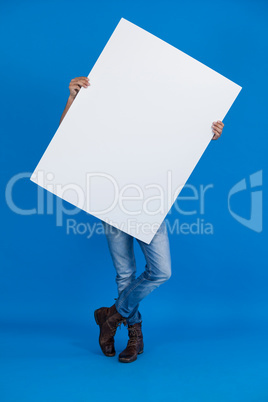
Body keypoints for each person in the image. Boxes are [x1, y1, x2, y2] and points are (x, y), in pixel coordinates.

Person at [60, 76, 224, 363]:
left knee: (161, 270)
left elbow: (180, 146)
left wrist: (205, 134)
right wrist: (73, 99)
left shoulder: (157, 117)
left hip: (149, 202)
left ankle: (110, 317)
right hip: (110, 201)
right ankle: (135, 336)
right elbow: (67, 137)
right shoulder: (105, 116)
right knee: (125, 274)